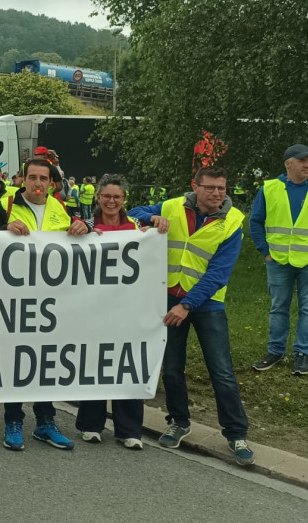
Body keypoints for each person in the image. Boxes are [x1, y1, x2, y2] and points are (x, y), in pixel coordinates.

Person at [129, 166, 256, 466]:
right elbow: (134, 211)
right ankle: (179, 421)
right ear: (195, 187)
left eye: (222, 188)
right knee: (172, 368)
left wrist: (187, 305)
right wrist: (151, 217)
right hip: (169, 298)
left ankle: (236, 434)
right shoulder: (172, 206)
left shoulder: (232, 222)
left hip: (206, 304)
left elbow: (218, 274)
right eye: (210, 188)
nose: (217, 194)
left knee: (221, 372)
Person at [0, 158, 89, 451]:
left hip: (51, 301)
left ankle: (45, 422)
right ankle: (13, 421)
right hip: (15, 299)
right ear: (22, 179)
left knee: (45, 362)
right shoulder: (7, 205)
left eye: (44, 178)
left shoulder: (61, 209)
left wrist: (86, 227)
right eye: (32, 177)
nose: (38, 183)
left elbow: (81, 242)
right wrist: (5, 226)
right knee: (17, 360)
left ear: (52, 183)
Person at [76, 174, 155, 450]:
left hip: (127, 307)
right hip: (94, 307)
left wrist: (154, 234)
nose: (111, 201)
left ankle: (129, 429)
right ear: (98, 198)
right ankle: (91, 424)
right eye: (106, 196)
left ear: (124, 200)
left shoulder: (136, 227)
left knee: (128, 363)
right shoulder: (86, 225)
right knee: (95, 363)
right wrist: (76, 234)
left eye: (116, 197)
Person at [249, 145, 308, 376]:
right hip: (278, 261)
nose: (307, 165)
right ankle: (276, 351)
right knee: (278, 307)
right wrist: (266, 252)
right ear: (288, 164)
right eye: (302, 160)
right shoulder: (269, 189)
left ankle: (302, 354)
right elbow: (255, 222)